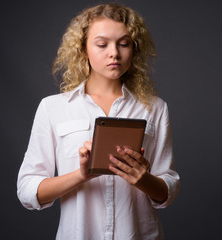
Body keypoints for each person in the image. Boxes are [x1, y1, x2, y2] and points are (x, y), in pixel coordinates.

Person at [17, 3, 180, 240]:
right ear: (83, 49)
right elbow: (28, 191)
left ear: (133, 49)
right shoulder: (53, 108)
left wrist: (143, 179)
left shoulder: (154, 108)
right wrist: (81, 174)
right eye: (102, 44)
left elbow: (168, 189)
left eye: (124, 43)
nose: (114, 53)